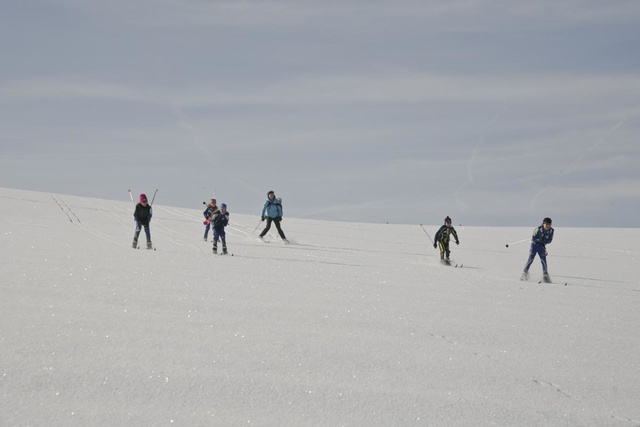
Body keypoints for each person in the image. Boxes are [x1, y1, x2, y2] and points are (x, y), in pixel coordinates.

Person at [521, 217, 554, 282]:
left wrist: (543, 241)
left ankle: (545, 275)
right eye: (546, 224)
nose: (548, 226)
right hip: (534, 245)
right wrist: (539, 240)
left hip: (541, 246)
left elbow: (550, 240)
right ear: (543, 224)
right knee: (531, 259)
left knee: (543, 260)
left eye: (549, 224)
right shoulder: (537, 229)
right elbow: (533, 238)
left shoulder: (551, 230)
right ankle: (525, 272)